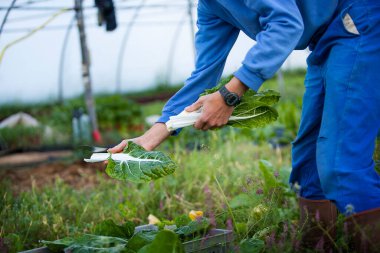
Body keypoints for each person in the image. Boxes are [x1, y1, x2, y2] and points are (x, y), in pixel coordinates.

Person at [110, 0, 380, 251]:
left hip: (358, 20)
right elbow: (203, 76)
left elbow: (287, 23)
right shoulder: (210, 6)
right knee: (308, 166)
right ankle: (318, 245)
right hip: (326, 40)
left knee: (341, 164)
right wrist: (148, 139)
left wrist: (230, 95)